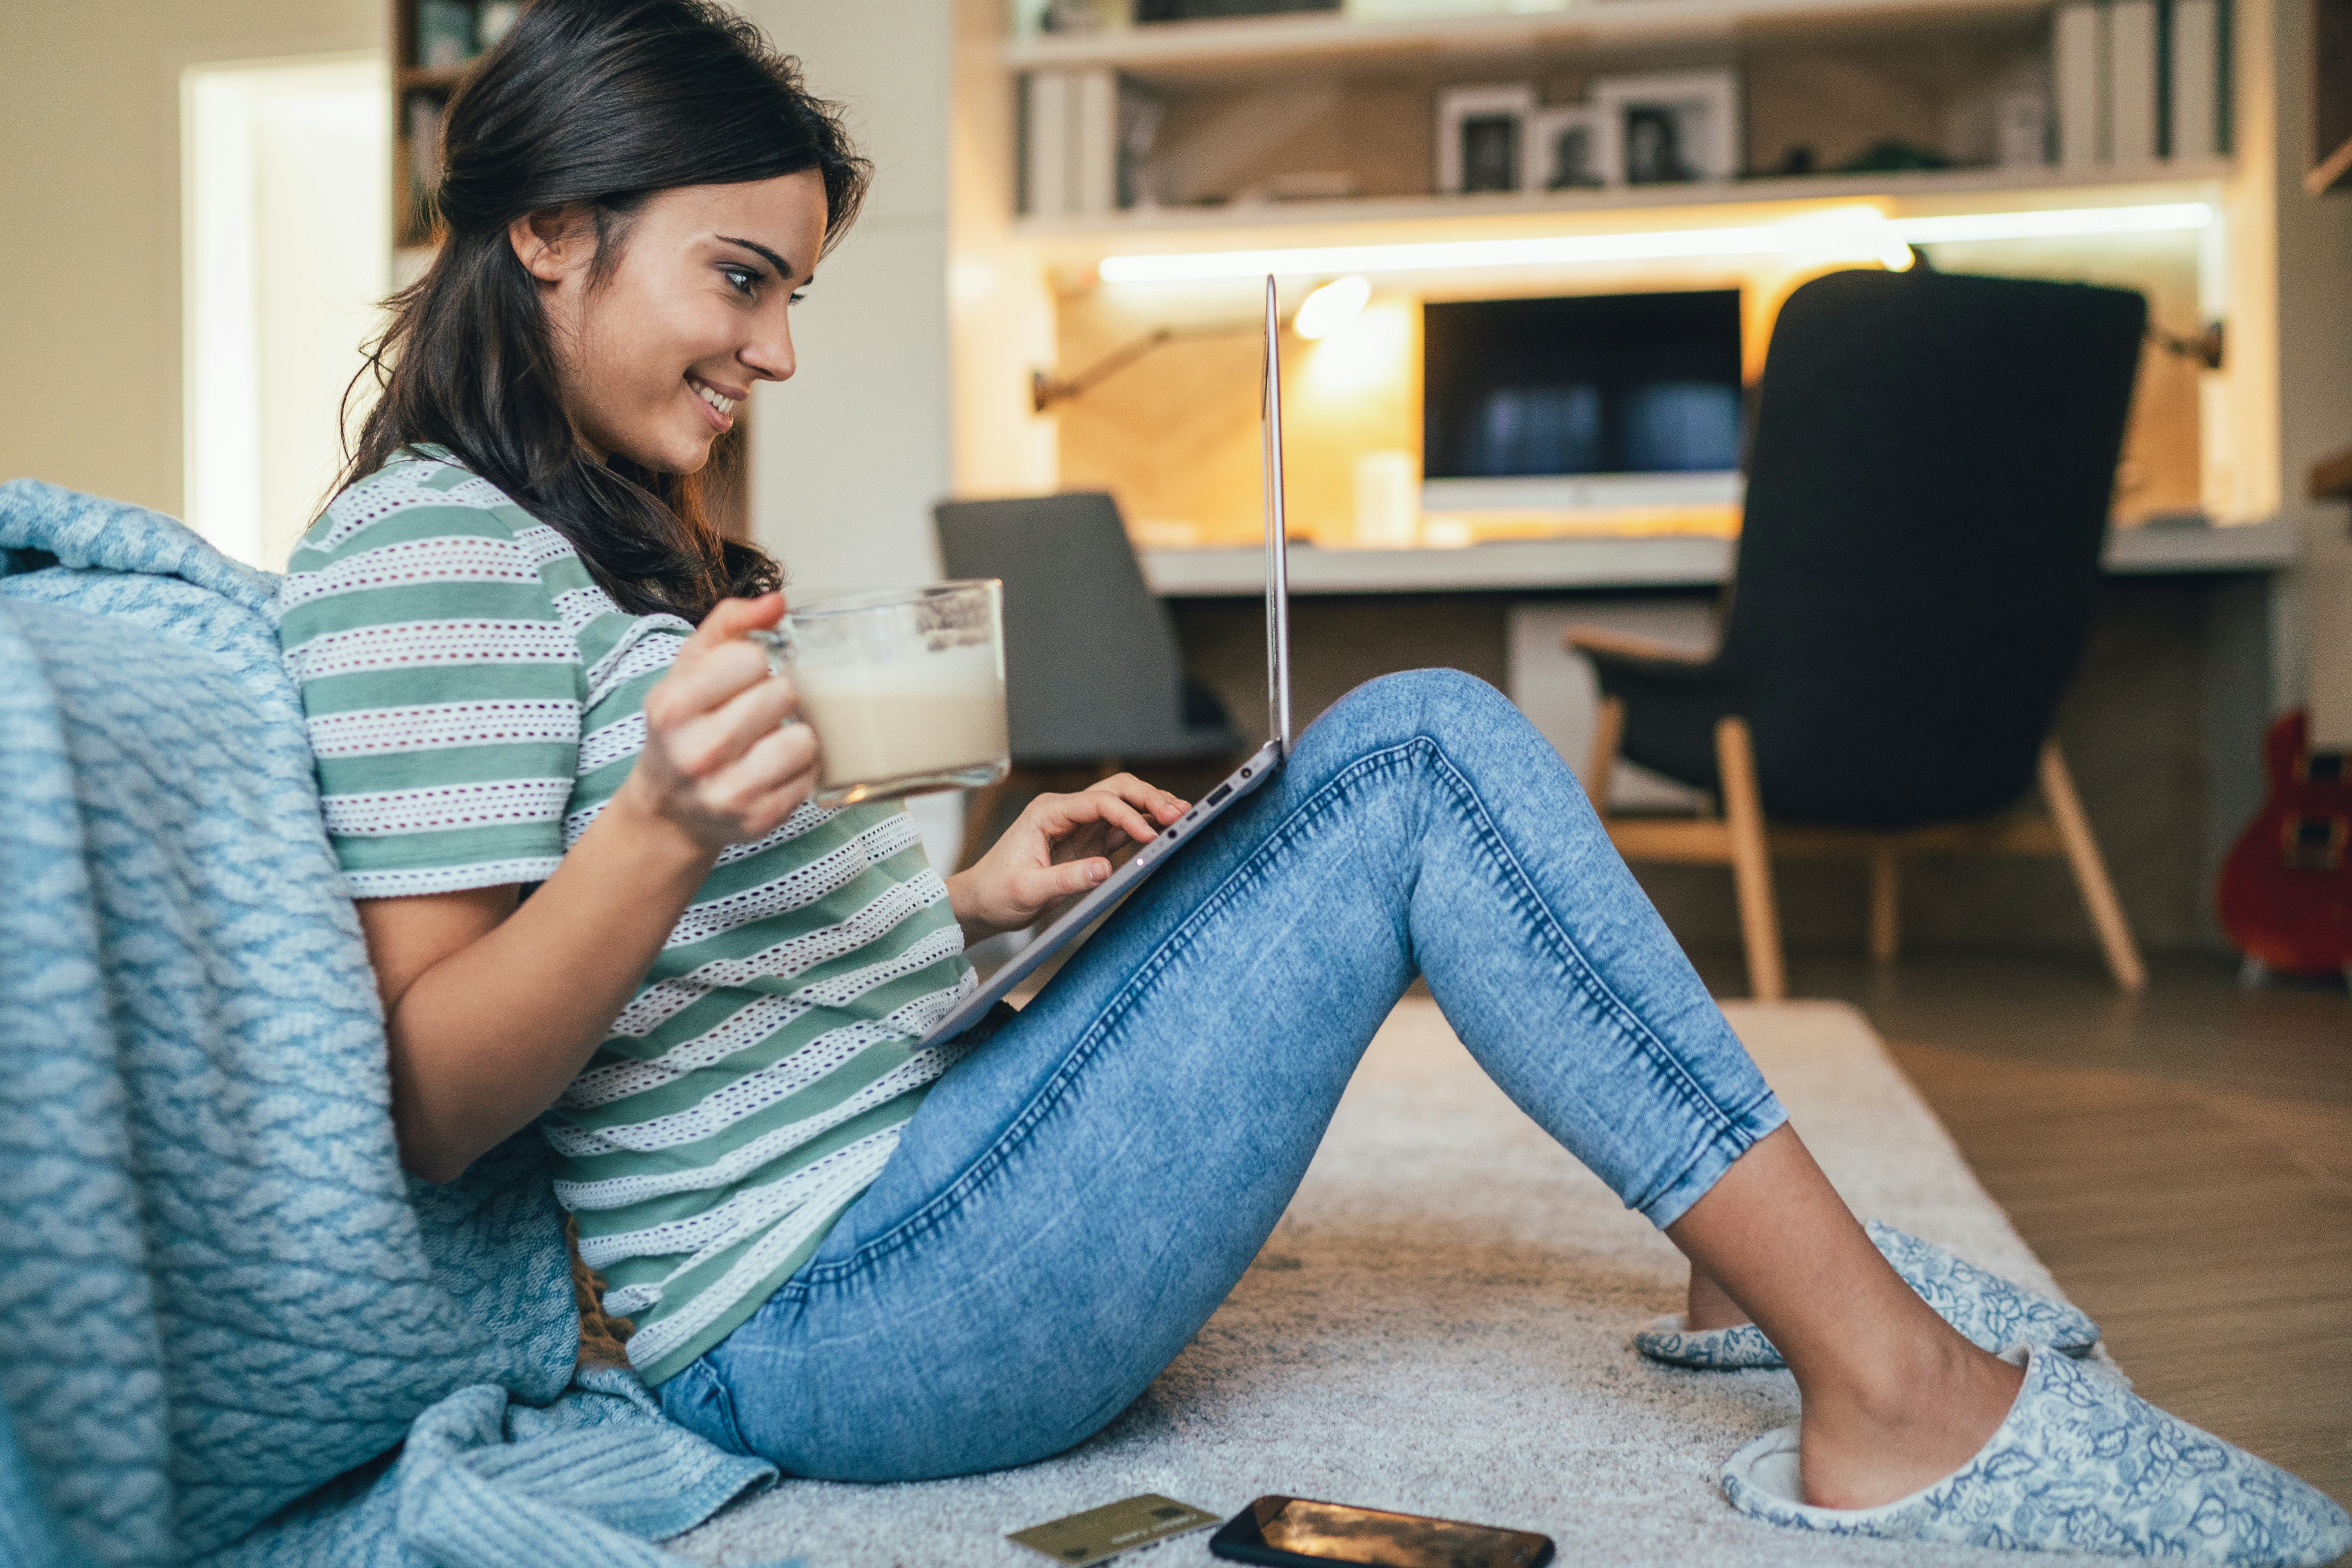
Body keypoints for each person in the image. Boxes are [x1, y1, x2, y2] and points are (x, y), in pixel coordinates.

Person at [277, 2, 2350, 1561]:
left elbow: (725, 1005)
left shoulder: (606, 537)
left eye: (795, 293)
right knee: (1429, 753)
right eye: (746, 278)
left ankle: (1755, 1267)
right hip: (827, 1326)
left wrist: (969, 901)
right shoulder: (426, 556)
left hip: (908, 1172)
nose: (783, 353)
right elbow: (441, 1101)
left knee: (1369, 765)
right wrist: (655, 831)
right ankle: (1888, 1393)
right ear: (550, 229)